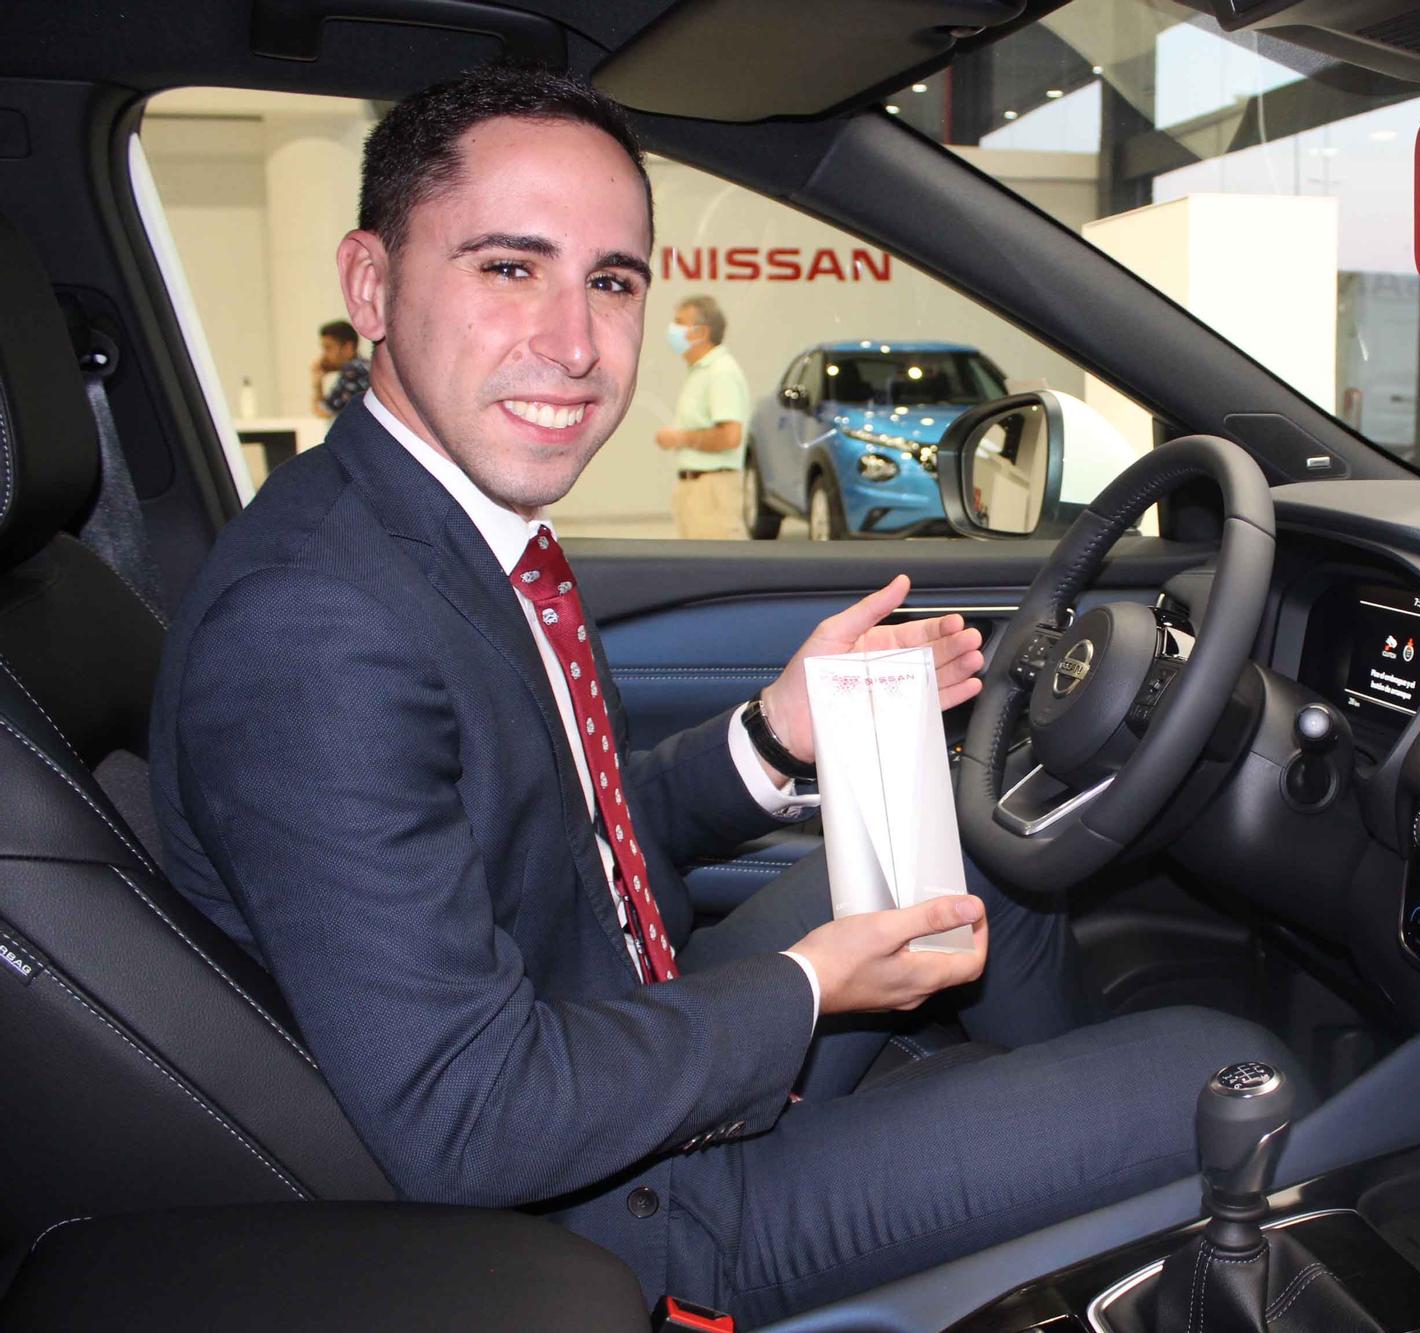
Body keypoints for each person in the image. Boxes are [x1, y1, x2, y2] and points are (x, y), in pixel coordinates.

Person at [151, 63, 1287, 1326]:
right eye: (509, 267)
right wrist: (810, 986)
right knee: (1226, 1068)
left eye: (612, 280)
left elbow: (549, 837)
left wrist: (772, 733)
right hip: (626, 1212)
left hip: (609, 1023)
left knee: (975, 849)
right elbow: (469, 1119)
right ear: (372, 283)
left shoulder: (444, 530)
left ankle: (1023, 1189)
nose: (574, 344)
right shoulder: (314, 627)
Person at [653, 294, 751, 539]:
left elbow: (730, 437)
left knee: (718, 572)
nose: (672, 330)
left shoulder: (721, 372)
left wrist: (680, 438)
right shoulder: (700, 372)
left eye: (680, 322)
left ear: (701, 332)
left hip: (713, 491)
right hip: (695, 490)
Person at [311, 318, 371, 418]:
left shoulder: (352, 372)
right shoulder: (366, 366)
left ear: (348, 347)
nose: (324, 356)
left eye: (328, 348)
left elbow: (324, 413)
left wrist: (317, 384)